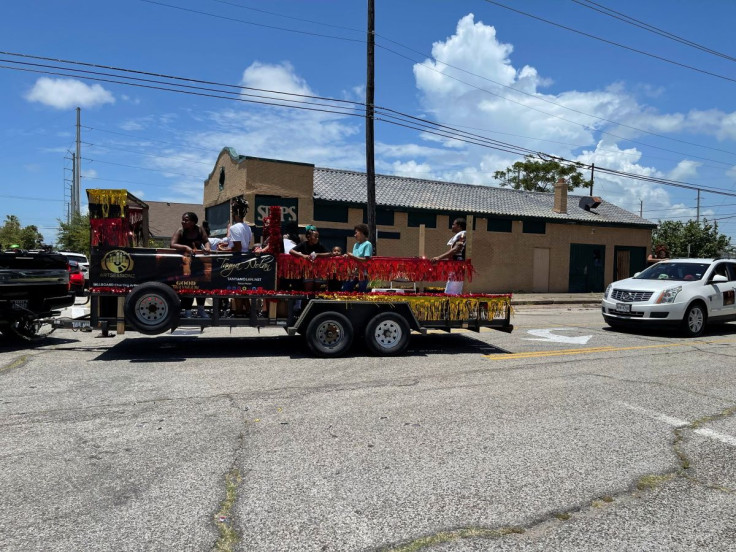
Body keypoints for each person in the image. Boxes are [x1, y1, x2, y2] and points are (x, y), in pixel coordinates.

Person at [171, 212, 210, 317]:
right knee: (187, 286)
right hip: (185, 264)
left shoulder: (200, 229)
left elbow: (206, 241)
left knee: (201, 286)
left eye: (186, 220)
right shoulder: (180, 231)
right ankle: (187, 311)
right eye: (183, 219)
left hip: (198, 263)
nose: (183, 221)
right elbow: (172, 244)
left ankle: (201, 310)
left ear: (193, 222)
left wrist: (207, 247)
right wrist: (185, 247)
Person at [289, 225, 332, 292]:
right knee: (308, 290)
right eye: (315, 237)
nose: (317, 239)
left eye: (318, 237)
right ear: (309, 237)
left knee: (317, 290)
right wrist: (303, 256)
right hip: (307, 271)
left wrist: (318, 255)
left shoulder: (320, 245)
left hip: (318, 271)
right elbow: (291, 251)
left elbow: (329, 253)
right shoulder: (303, 244)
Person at [432, 218, 466, 295]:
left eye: (454, 224)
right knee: (451, 291)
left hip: (458, 268)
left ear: (459, 226)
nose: (452, 226)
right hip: (456, 267)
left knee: (451, 293)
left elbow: (456, 249)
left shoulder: (462, 234)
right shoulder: (460, 235)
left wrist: (439, 257)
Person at [341, 224, 373, 292]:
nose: (354, 235)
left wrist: (352, 256)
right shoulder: (356, 245)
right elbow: (354, 258)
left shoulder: (368, 244)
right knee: (345, 289)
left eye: (356, 233)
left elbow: (366, 260)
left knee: (363, 292)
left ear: (362, 232)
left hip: (364, 274)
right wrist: (348, 256)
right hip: (354, 272)